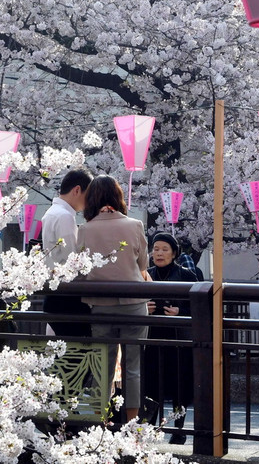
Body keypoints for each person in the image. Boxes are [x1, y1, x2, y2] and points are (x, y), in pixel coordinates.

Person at [76, 174, 150, 423]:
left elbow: (80, 269)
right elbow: (143, 263)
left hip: (100, 304)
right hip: (134, 303)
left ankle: (102, 421)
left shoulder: (84, 229)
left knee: (103, 366)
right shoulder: (134, 225)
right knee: (133, 366)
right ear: (117, 197)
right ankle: (131, 422)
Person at [143, 232, 196, 444]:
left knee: (179, 386)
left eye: (164, 249)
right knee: (151, 384)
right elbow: (133, 302)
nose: (159, 253)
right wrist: (143, 308)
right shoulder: (145, 274)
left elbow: (198, 307)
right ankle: (150, 427)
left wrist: (180, 311)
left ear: (174, 253)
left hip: (178, 340)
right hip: (152, 338)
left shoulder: (187, 275)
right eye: (156, 249)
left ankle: (178, 428)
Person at [40, 168, 93, 337]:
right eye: (88, 195)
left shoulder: (52, 212)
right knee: (77, 351)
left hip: (54, 292)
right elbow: (72, 261)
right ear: (77, 190)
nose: (89, 201)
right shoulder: (65, 217)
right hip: (67, 296)